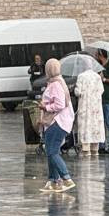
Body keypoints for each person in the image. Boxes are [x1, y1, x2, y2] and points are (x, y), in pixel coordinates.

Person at [39, 58, 76, 192]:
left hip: (57, 121)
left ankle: (66, 178)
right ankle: (53, 180)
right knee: (50, 151)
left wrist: (45, 107)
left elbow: (60, 104)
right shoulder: (58, 81)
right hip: (57, 121)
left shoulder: (55, 84)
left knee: (52, 152)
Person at [74, 66, 105, 155]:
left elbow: (78, 92)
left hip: (85, 107)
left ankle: (86, 150)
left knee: (86, 126)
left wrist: (76, 90)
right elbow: (101, 90)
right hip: (96, 107)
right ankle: (95, 149)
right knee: (95, 126)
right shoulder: (98, 77)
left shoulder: (81, 76)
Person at [94, 50, 109, 154]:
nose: (95, 56)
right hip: (99, 99)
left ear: (101, 55)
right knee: (100, 123)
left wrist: (104, 79)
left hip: (108, 98)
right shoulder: (97, 66)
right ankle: (102, 145)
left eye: (96, 55)